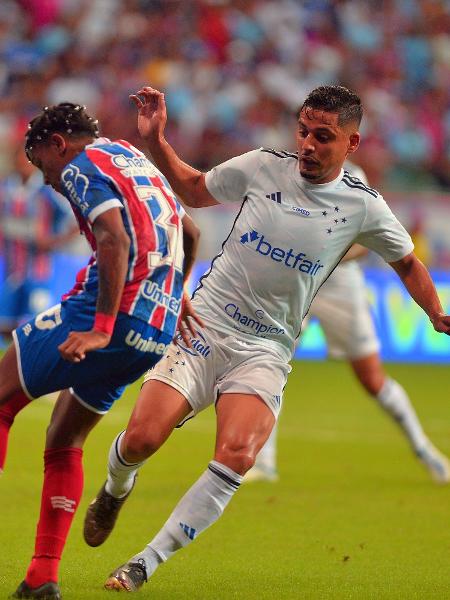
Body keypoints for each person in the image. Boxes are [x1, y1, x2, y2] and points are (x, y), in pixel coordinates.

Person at [83, 85, 450, 593]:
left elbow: (406, 261)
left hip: (266, 348)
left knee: (237, 454)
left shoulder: (363, 206)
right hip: (204, 326)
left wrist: (435, 312)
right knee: (143, 439)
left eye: (324, 136)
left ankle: (144, 562)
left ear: (352, 144)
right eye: (303, 131)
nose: (308, 145)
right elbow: (193, 190)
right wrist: (158, 140)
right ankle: (114, 489)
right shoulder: (262, 165)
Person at [0, 102, 201, 600]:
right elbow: (189, 231)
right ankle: (42, 576)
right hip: (152, 332)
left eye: (41, 163)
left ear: (57, 146)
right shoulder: (128, 156)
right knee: (64, 436)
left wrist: (101, 327)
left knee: (1, 398)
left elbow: (113, 238)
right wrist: (174, 294)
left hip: (109, 315)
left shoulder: (80, 166)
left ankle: (44, 571)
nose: (48, 179)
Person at [246, 162, 450, 484]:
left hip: (341, 286)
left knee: (371, 378)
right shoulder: (288, 171)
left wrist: (324, 255)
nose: (311, 141)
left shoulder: (355, 178)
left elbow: (364, 243)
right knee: (271, 365)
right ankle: (264, 461)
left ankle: (425, 450)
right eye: (306, 130)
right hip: (297, 283)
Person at [0, 144, 79, 473]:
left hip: (39, 273)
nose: (21, 161)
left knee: (32, 332)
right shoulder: (6, 189)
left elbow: (73, 217)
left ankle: (50, 384)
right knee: (8, 330)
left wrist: (56, 242)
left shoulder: (45, 193)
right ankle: (12, 383)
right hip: (12, 271)